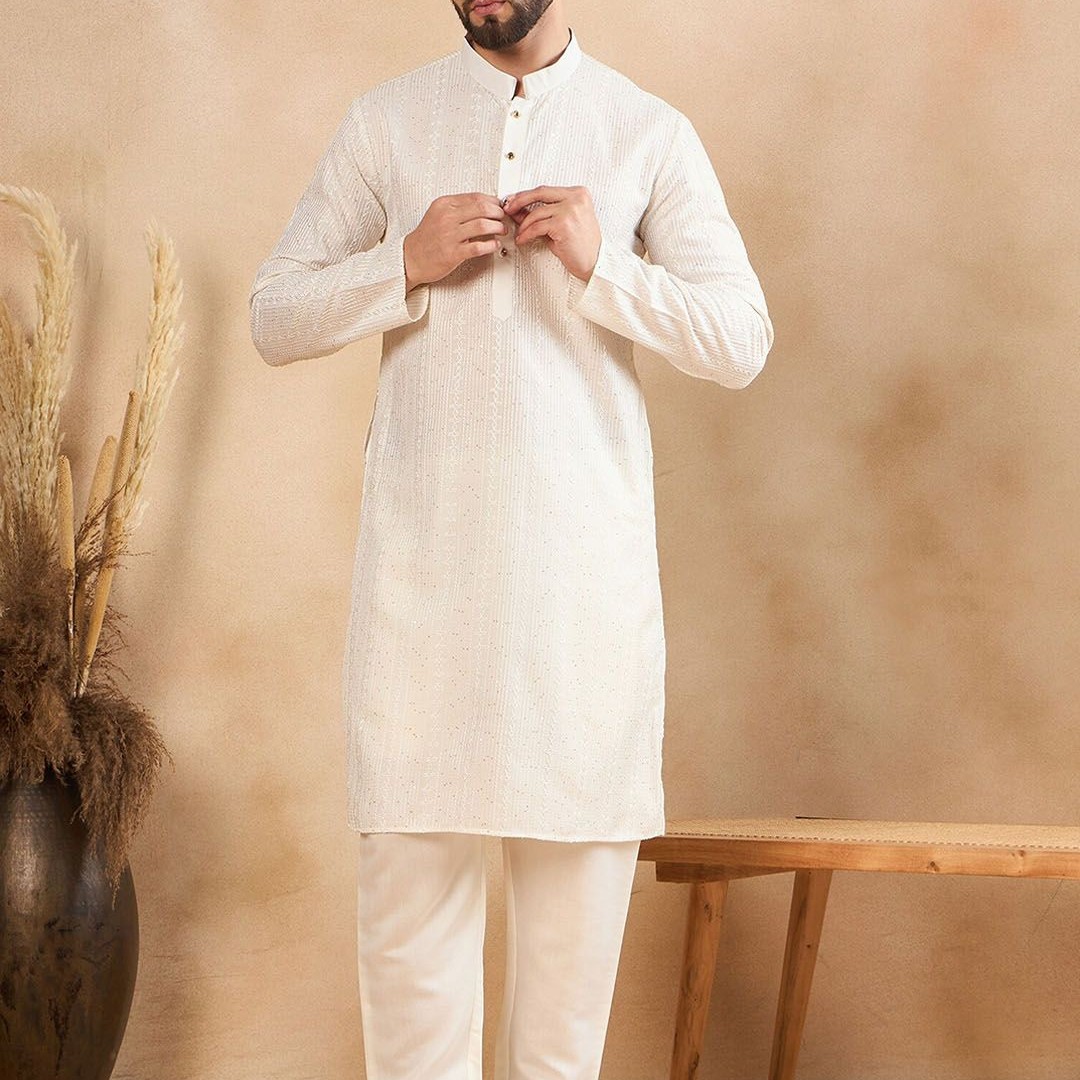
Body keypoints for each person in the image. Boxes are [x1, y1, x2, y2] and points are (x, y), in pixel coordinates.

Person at [248, 1, 773, 1077]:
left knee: (561, 1033)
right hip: (422, 611)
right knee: (413, 1009)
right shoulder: (389, 123)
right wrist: (403, 262)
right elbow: (274, 315)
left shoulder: (645, 130)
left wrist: (604, 264)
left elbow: (740, 340)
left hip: (578, 617)